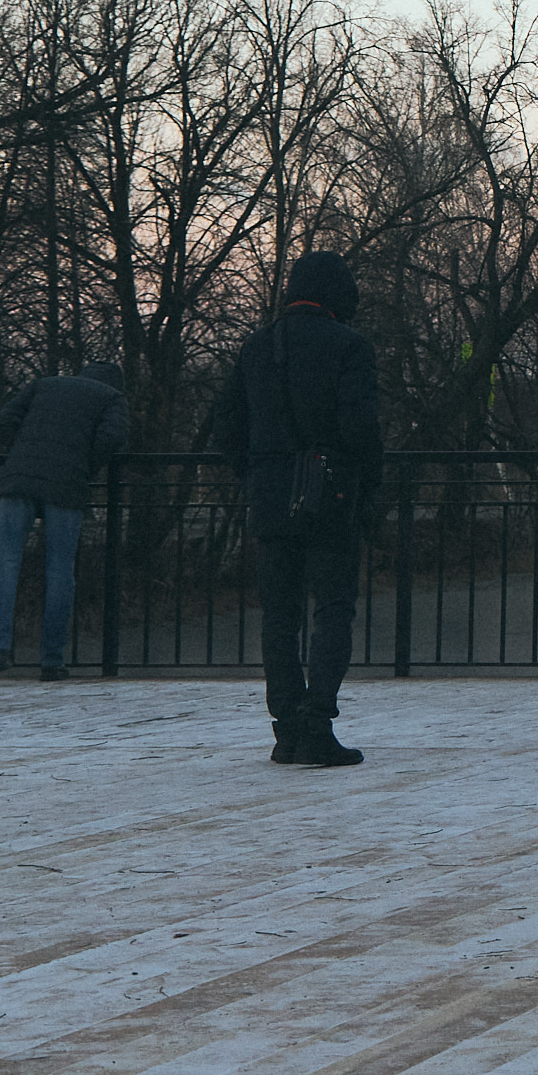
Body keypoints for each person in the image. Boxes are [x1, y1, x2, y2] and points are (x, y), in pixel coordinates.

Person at [208, 251, 385, 766]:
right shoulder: (350, 347)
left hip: (269, 492)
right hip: (329, 493)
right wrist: (367, 484)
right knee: (332, 609)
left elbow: (226, 425)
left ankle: (286, 726)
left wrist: (259, 469)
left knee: (279, 615)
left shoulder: (258, 347)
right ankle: (316, 717)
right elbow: (361, 427)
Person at [0, 359, 129, 686]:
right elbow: (112, 437)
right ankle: (51, 660)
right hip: (66, 484)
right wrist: (86, 465)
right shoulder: (112, 397)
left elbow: (7, 419)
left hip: (19, 477)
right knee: (59, 570)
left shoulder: (44, 384)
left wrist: (20, 453)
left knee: (5, 564)